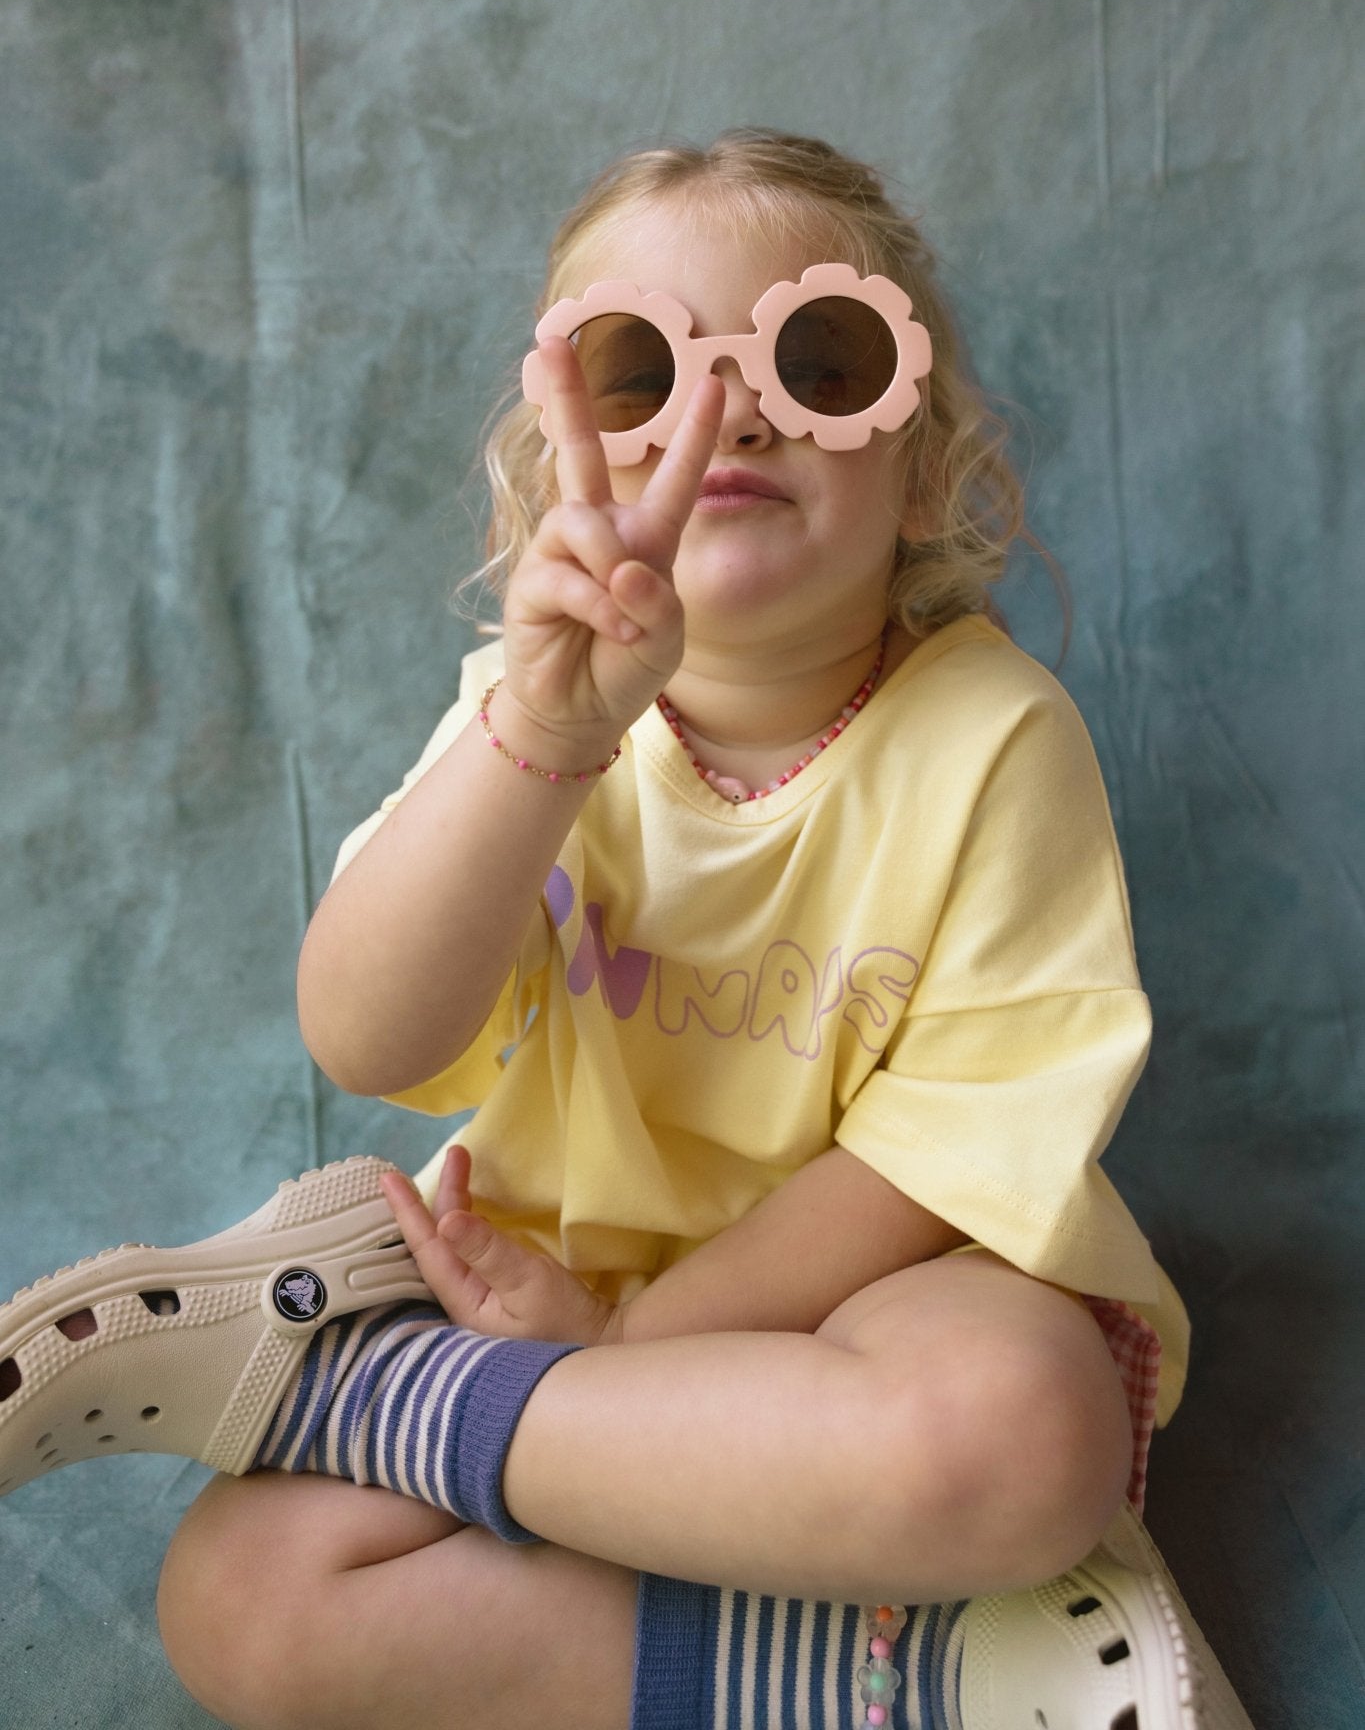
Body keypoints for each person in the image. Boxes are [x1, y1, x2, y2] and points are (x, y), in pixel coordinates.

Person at [2, 131, 1203, 1730]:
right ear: (548, 477)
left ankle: (382, 1402)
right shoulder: (528, 719)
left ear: (922, 471)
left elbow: (931, 1167)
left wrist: (631, 1344)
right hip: (551, 1291)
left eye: (816, 361)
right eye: (641, 373)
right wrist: (546, 740)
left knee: (1022, 1434)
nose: (733, 413)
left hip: (867, 1302)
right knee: (240, 1603)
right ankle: (913, 1672)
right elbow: (366, 1036)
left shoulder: (995, 735)